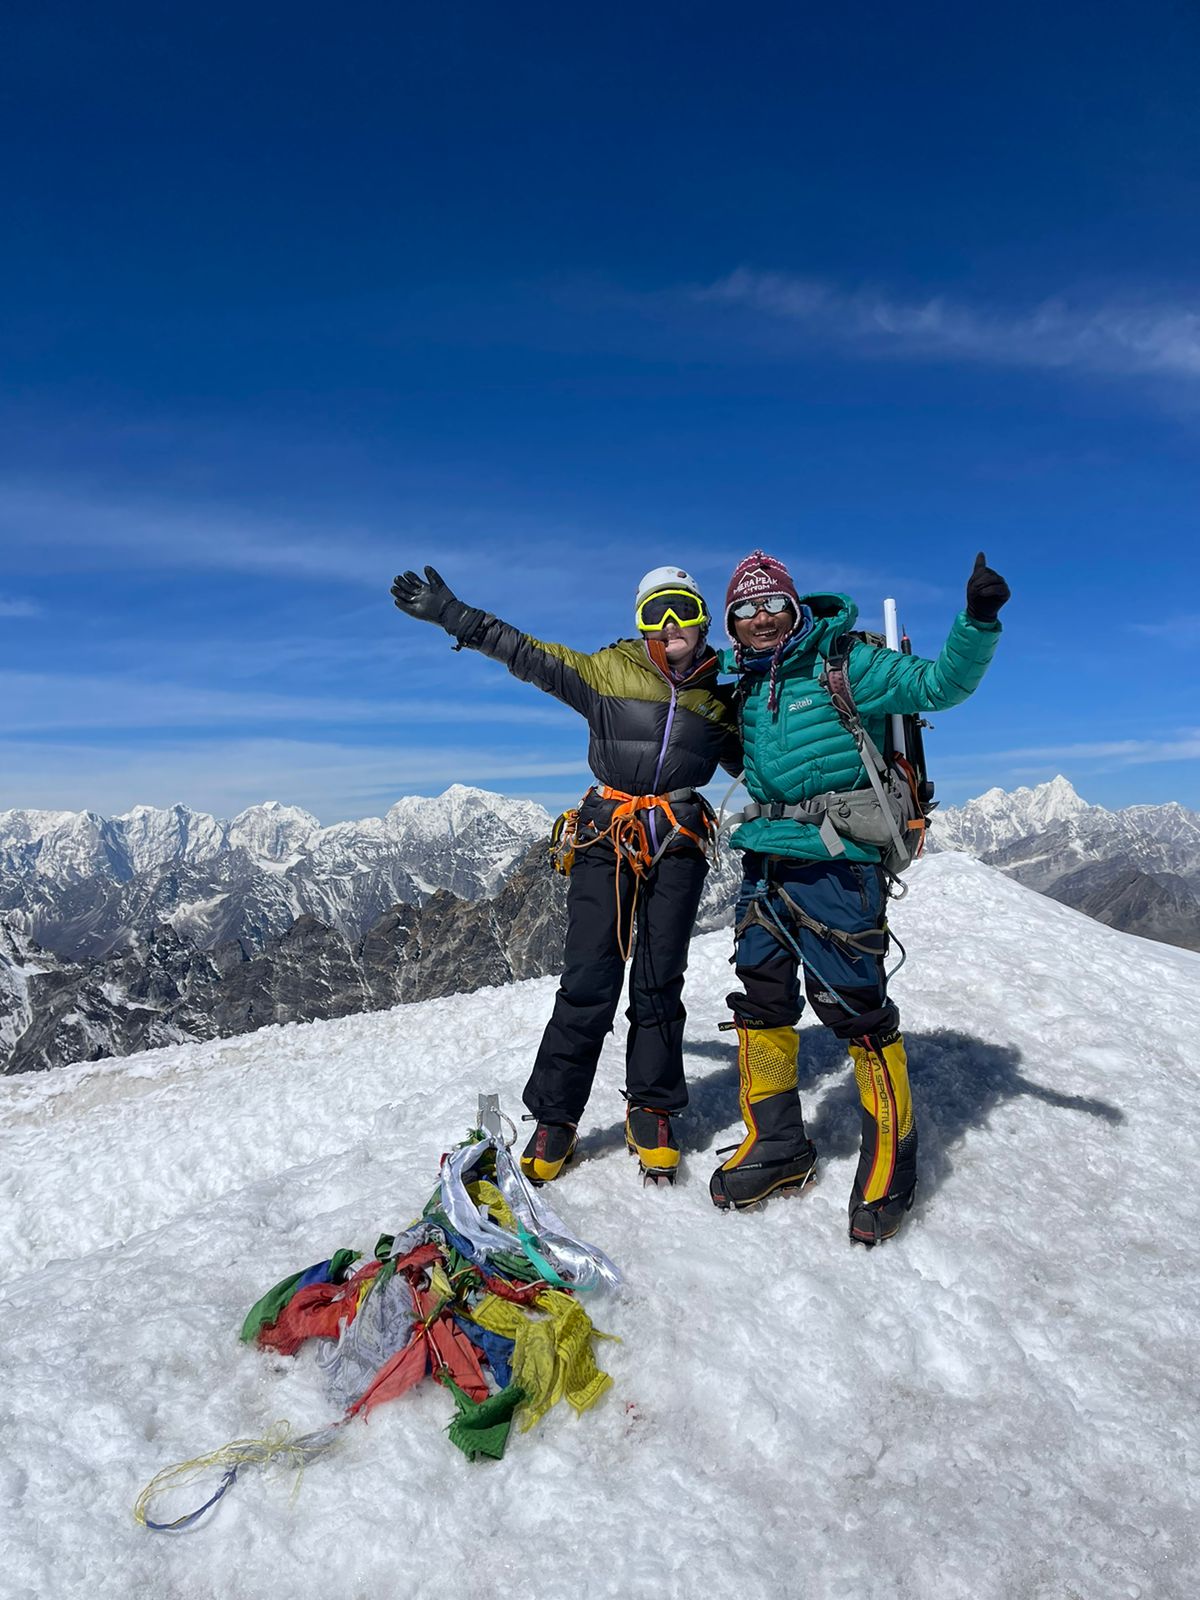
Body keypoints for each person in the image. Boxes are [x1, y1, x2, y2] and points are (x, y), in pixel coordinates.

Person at [390, 563, 741, 1187]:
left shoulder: (722, 698)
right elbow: (525, 653)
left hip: (678, 841)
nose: (668, 624)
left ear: (703, 621)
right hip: (608, 836)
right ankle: (556, 1116)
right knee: (588, 979)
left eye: (681, 610)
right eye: (655, 612)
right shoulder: (606, 672)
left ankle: (652, 1107)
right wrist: (452, 614)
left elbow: (772, 753)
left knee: (661, 982)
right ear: (639, 623)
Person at [711, 549, 1011, 1244]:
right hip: (764, 863)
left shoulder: (848, 663)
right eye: (745, 609)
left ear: (793, 606)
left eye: (770, 603)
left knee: (853, 1007)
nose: (760, 617)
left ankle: (892, 1157)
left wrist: (979, 620)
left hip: (839, 863)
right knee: (762, 1001)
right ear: (733, 625)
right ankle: (777, 1143)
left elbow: (941, 686)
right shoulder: (748, 688)